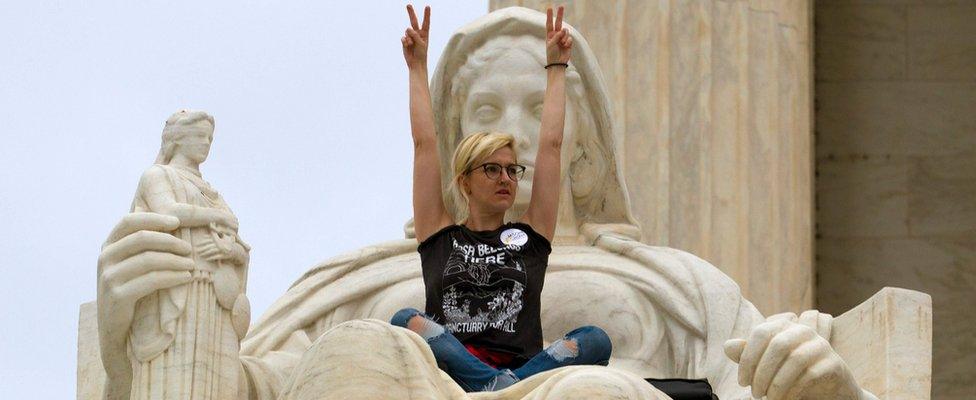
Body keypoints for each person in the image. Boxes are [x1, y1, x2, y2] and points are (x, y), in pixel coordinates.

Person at [391, 4, 612, 392]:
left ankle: (502, 387)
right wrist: (416, 69)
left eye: (512, 170)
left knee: (595, 338)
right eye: (492, 169)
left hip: (522, 368)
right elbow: (424, 145)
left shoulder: (530, 237)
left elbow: (551, 146)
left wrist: (557, 67)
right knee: (405, 320)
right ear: (465, 181)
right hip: (457, 370)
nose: (505, 178)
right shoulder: (440, 235)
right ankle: (498, 387)